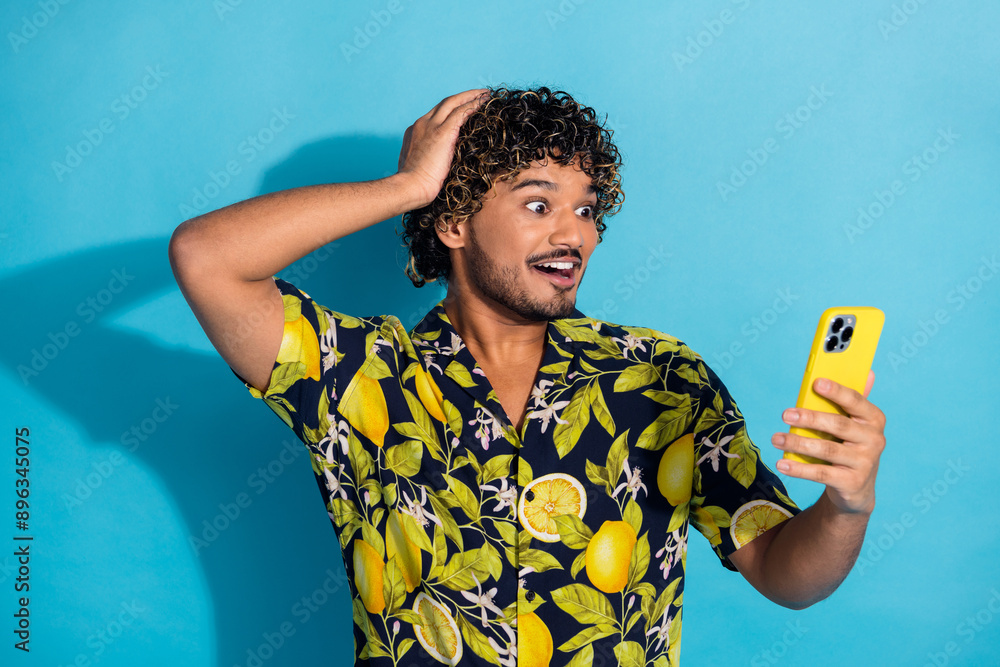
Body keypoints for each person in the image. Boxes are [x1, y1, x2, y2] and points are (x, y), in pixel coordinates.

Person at [169, 86, 887, 666]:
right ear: (453, 222)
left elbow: (783, 570)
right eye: (538, 204)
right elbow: (206, 256)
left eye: (586, 209)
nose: (573, 234)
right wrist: (407, 185)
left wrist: (846, 506)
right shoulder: (360, 378)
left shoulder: (662, 377)